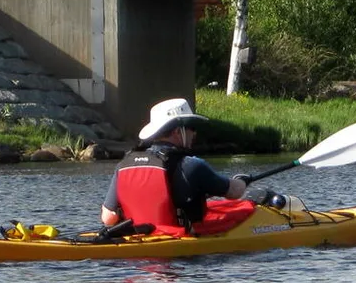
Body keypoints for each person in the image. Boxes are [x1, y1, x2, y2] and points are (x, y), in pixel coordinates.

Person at [100, 98, 248, 229]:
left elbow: (108, 218)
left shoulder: (124, 165)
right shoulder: (192, 165)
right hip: (180, 240)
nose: (194, 133)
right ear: (178, 131)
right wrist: (241, 181)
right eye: (192, 128)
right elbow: (234, 193)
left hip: (138, 238)